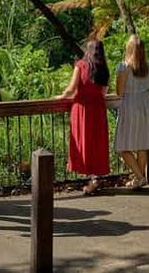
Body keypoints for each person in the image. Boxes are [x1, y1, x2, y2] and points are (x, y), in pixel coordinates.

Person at [56, 39, 111, 195]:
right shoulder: (103, 67)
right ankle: (94, 177)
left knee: (84, 142)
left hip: (82, 109)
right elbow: (104, 92)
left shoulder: (81, 65)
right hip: (98, 109)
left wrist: (61, 97)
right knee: (96, 142)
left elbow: (72, 88)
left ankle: (92, 178)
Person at [114, 35, 149, 189]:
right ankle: (139, 179)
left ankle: (140, 177)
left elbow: (119, 92)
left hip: (129, 105)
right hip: (145, 104)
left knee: (121, 146)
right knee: (142, 144)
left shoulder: (123, 67)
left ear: (129, 49)